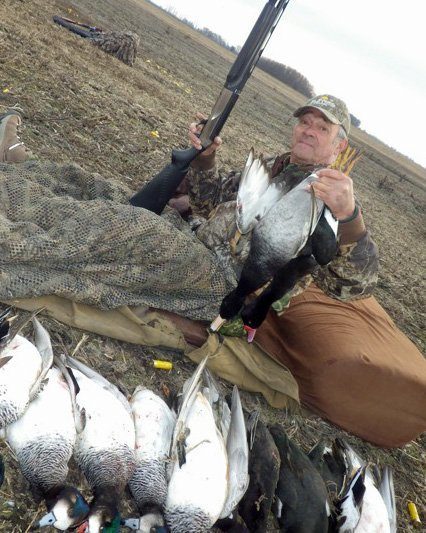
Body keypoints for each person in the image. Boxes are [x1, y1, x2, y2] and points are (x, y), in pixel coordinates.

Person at [0, 98, 424, 448]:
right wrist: (205, 159)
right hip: (196, 240)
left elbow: (354, 285)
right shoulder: (275, 167)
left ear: (338, 144)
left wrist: (350, 217)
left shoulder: (333, 199)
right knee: (99, 189)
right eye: (304, 122)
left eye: (322, 128)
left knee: (125, 226)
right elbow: (208, 201)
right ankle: (16, 166)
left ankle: (12, 234)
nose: (308, 131)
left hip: (221, 283)